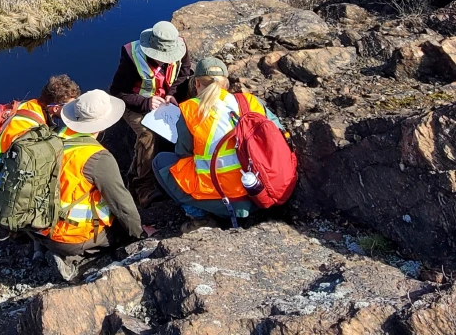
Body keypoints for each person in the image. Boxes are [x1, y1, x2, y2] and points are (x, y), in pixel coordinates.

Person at [151, 57, 285, 230]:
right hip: (263, 190)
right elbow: (279, 132)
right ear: (226, 84)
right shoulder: (250, 102)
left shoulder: (190, 110)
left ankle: (200, 219)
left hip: (227, 201)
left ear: (196, 83)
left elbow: (184, 153)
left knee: (161, 162)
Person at [38, 89, 148, 281]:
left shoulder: (52, 137)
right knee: (120, 232)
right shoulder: (97, 158)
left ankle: (40, 247)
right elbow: (122, 204)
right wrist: (139, 234)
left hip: (36, 228)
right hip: (66, 237)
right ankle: (75, 258)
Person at [109, 21, 193, 204]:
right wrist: (146, 102)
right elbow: (117, 92)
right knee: (148, 136)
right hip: (136, 105)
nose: (165, 60)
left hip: (166, 102)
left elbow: (184, 74)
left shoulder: (181, 46)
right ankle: (142, 187)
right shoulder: (132, 57)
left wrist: (171, 94)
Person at [0, 74, 81, 166]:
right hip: (0, 165)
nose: (73, 110)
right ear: (56, 108)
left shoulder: (30, 105)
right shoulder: (32, 128)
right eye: (70, 107)